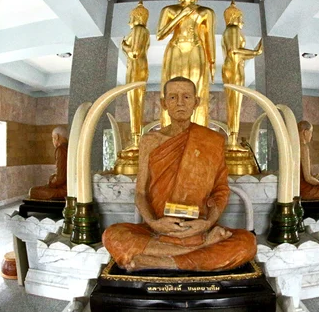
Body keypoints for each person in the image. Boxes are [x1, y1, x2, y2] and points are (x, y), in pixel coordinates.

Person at [103, 77, 256, 271]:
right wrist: (154, 223)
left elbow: (221, 189)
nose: (180, 103)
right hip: (159, 230)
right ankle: (203, 249)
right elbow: (140, 192)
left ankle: (158, 260)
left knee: (247, 243)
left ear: (196, 102)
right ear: (163, 103)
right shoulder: (150, 141)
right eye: (173, 97)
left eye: (186, 96)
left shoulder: (213, 140)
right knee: (112, 235)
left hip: (199, 228)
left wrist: (207, 222)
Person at [157, 0, 216, 127]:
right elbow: (160, 35)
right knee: (172, 89)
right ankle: (169, 130)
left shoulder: (206, 12)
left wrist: (212, 62)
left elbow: (209, 38)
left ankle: (198, 129)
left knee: (197, 90)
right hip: (175, 49)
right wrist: (180, 15)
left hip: (196, 49)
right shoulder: (169, 10)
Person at [222, 0, 263, 150]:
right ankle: (232, 141)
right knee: (234, 104)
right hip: (233, 67)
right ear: (233, 17)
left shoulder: (232, 31)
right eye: (240, 17)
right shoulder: (232, 30)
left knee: (235, 103)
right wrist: (254, 52)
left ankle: (233, 139)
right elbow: (233, 51)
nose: (242, 21)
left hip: (234, 67)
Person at [121, 0, 150, 150]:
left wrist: (124, 45)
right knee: (134, 102)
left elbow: (134, 53)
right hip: (137, 68)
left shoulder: (139, 30)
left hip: (136, 69)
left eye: (131, 17)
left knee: (135, 103)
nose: (129, 21)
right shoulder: (141, 31)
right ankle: (136, 138)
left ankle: (136, 139)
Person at [28, 126, 68, 200]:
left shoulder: (60, 149)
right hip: (70, 187)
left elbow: (61, 179)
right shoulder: (69, 147)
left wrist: (50, 183)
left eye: (52, 138)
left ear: (57, 137)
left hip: (64, 190)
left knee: (33, 191)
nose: (53, 141)